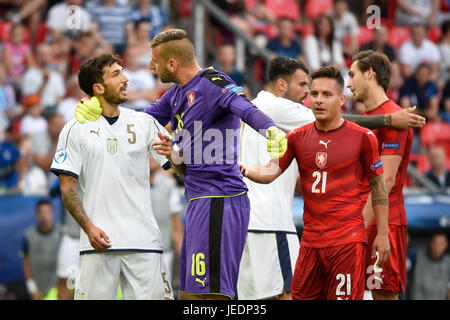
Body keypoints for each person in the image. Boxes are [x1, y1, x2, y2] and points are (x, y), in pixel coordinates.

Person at [75, 28, 288, 300]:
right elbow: (140, 122)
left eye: (155, 60)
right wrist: (95, 107)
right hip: (198, 200)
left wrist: (270, 129)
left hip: (220, 199)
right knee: (188, 296)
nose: (151, 66)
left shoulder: (213, 82)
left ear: (172, 64)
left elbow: (244, 107)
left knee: (212, 297)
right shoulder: (176, 94)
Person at [238, 56, 426, 301]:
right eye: (313, 93)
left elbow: (383, 184)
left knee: (380, 293)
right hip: (312, 239)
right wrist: (248, 171)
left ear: (340, 100)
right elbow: (274, 170)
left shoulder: (364, 135)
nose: (315, 98)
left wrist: (376, 232)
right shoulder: (297, 136)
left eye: (325, 94)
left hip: (351, 235)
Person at [50, 54, 174, 300]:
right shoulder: (74, 129)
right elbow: (67, 187)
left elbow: (178, 167)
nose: (126, 79)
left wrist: (177, 156)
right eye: (116, 74)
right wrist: (88, 227)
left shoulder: (145, 122)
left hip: (144, 241)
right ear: (98, 88)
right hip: (97, 242)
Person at [347, 50, 413, 300]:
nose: (349, 83)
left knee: (382, 297)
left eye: (352, 75)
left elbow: (385, 179)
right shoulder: (365, 120)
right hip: (359, 221)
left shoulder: (398, 118)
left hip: (382, 223)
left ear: (370, 74)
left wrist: (359, 228)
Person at [149, 154, 184, 293]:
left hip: (164, 251)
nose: (151, 158)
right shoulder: (133, 185)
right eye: (148, 156)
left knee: (163, 291)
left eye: (154, 156)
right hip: (139, 247)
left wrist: (182, 255)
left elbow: (176, 225)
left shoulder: (169, 186)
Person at [22, 198, 61, 300]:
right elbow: (26, 262)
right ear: (37, 214)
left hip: (57, 289)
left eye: (48, 212)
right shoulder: (29, 235)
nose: (46, 216)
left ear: (53, 213)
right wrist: (33, 288)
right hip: (38, 291)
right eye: (42, 212)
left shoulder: (62, 233)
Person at [410, 231, 450, 300]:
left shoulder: (448, 261)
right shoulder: (417, 254)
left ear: (446, 245)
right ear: (430, 243)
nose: (437, 247)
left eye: (441, 244)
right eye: (435, 243)